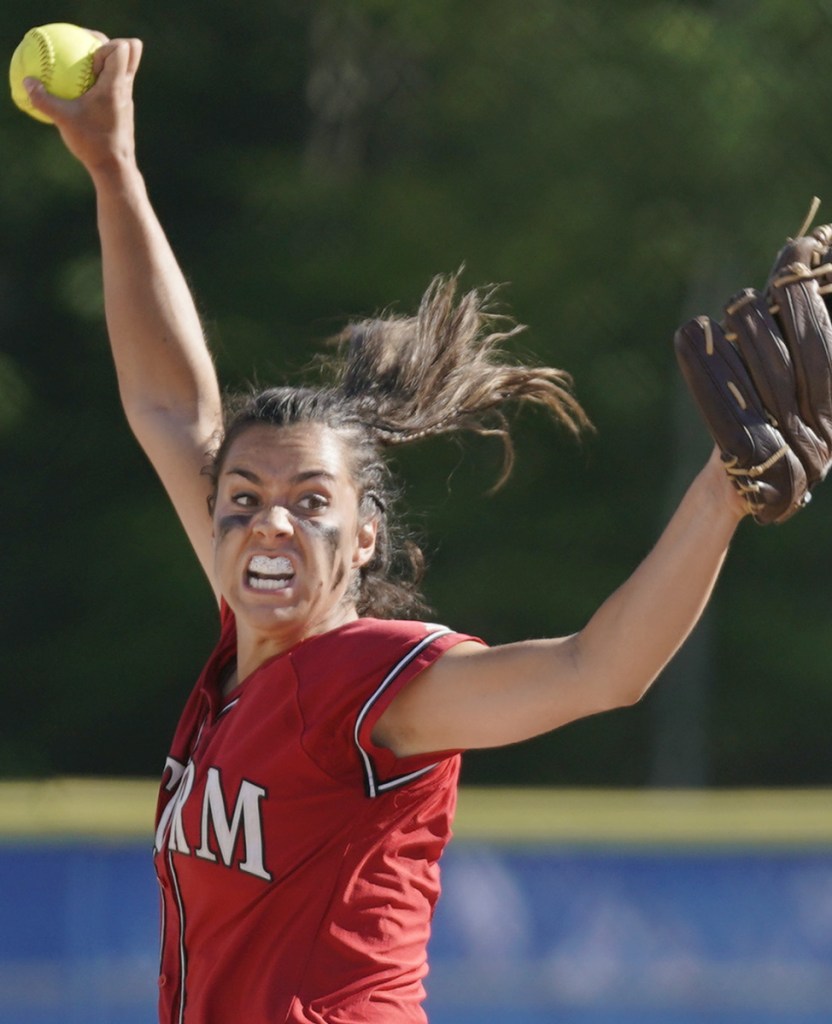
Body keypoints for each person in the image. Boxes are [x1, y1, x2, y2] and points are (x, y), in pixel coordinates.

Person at [28, 34, 751, 1024]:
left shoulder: (369, 685)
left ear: (364, 537)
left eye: (310, 502)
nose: (269, 522)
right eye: (241, 497)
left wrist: (724, 490)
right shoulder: (249, 654)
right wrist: (113, 172)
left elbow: (598, 670)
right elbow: (170, 410)